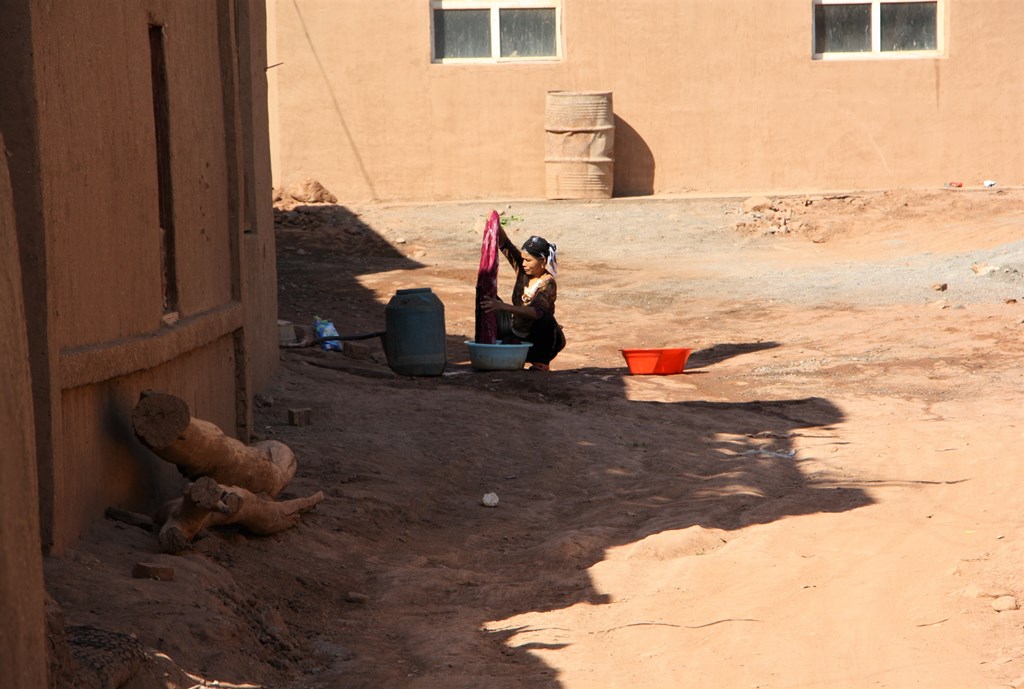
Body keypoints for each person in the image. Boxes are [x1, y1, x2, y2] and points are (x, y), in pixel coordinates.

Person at [479, 226, 566, 370]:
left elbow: (536, 312)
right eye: (523, 259)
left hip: (538, 338)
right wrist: (495, 222)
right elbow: (505, 244)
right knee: (488, 300)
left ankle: (541, 361)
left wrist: (503, 307)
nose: (524, 263)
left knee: (545, 319)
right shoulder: (523, 270)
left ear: (542, 261)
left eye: (528, 260)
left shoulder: (548, 283)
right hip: (517, 331)